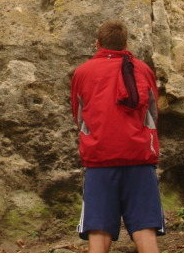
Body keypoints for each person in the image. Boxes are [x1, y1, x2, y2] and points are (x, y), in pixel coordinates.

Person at [70, 20, 164, 253]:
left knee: (98, 230)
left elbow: (79, 115)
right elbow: (153, 112)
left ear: (97, 43)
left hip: (100, 158)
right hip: (139, 157)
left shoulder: (82, 72)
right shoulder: (142, 69)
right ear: (126, 43)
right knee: (145, 227)